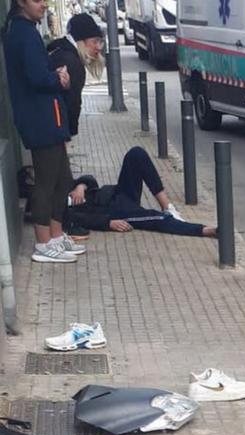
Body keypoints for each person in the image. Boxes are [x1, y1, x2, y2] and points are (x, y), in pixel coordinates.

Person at [3, 0, 84, 263]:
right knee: (47, 181)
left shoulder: (25, 29)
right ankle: (43, 241)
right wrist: (57, 78)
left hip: (49, 116)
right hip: (40, 118)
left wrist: (53, 72)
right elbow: (36, 77)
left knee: (62, 179)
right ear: (20, 2)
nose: (44, 4)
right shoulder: (23, 33)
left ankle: (56, 235)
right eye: (37, 0)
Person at [65, 147, 216, 237]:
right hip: (113, 212)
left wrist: (81, 186)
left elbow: (90, 180)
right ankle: (204, 230)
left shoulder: (57, 184)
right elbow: (76, 218)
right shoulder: (52, 207)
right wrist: (108, 223)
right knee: (154, 219)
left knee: (136, 153)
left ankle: (168, 207)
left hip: (114, 193)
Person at [48, 13, 105, 137]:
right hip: (55, 132)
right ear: (81, 41)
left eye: (100, 42)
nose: (98, 47)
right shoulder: (71, 62)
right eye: (94, 41)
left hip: (53, 129)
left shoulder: (63, 53)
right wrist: (68, 132)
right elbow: (70, 102)